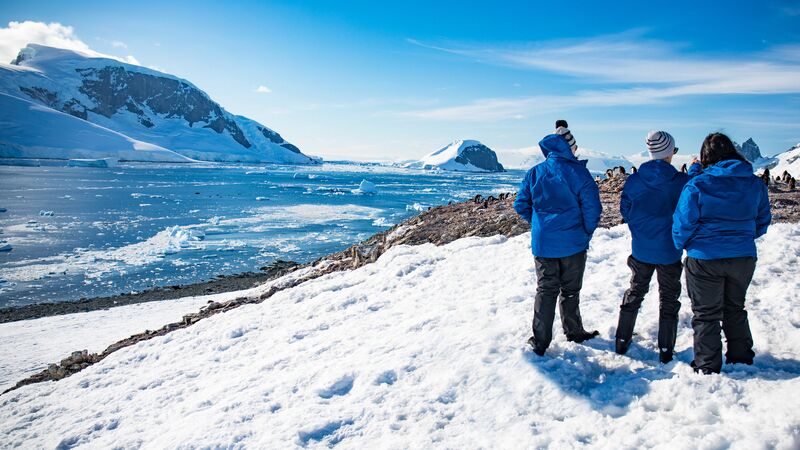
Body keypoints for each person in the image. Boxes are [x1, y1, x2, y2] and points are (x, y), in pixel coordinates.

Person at [673, 132, 771, 374]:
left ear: (705, 156)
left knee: (706, 314)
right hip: (743, 256)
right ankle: (741, 358)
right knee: (735, 308)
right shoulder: (755, 183)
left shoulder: (697, 185)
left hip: (705, 257)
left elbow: (683, 223)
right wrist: (742, 238)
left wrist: (685, 245)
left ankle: (707, 365)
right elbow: (762, 221)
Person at [514, 120, 602, 356]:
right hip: (573, 242)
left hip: (544, 243)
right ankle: (574, 332)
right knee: (570, 290)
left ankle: (540, 341)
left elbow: (521, 204)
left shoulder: (535, 172)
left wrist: (539, 224)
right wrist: (585, 231)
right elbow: (592, 207)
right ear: (570, 147)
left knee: (546, 290)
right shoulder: (579, 172)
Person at [615, 131, 688, 363]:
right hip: (669, 250)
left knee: (635, 291)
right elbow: (688, 212)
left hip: (641, 248)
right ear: (669, 153)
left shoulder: (635, 180)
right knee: (668, 298)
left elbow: (625, 210)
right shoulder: (680, 182)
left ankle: (622, 340)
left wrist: (640, 228)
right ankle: (666, 349)